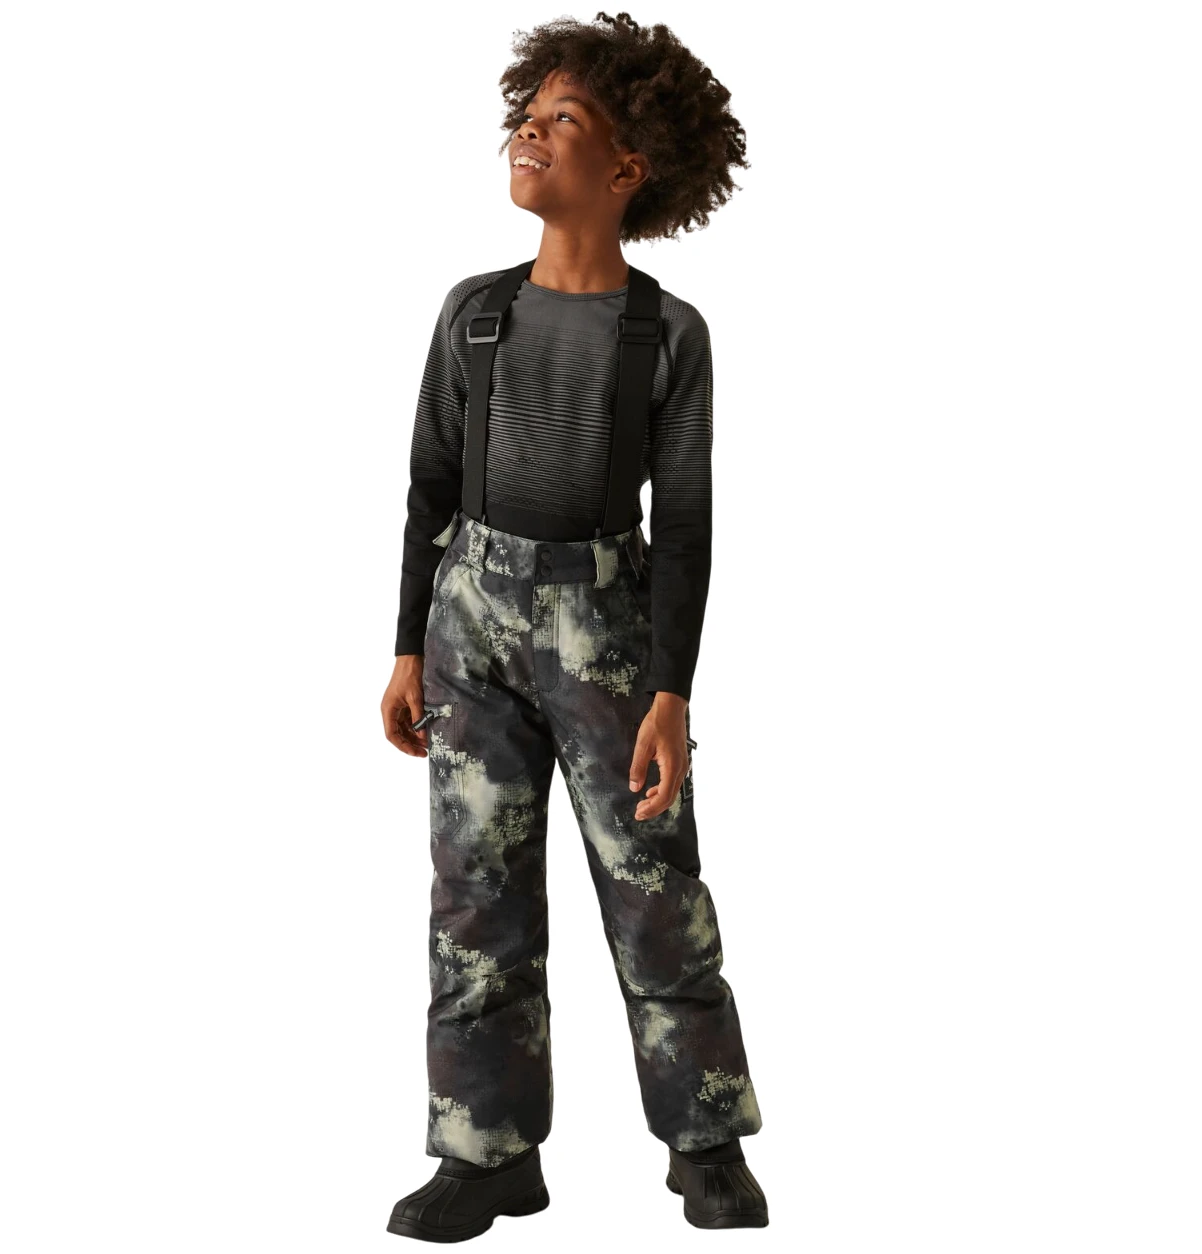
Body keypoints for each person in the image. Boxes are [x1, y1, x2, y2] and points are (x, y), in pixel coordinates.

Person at [380, 13, 766, 1240]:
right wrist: (406, 646)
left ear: (627, 167)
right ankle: (486, 1153)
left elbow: (687, 523)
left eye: (563, 120)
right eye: (526, 115)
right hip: (470, 622)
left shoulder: (669, 335)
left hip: (608, 626)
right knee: (475, 894)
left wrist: (672, 691)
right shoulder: (472, 314)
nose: (529, 134)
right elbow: (428, 490)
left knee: (653, 884)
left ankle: (705, 1140)